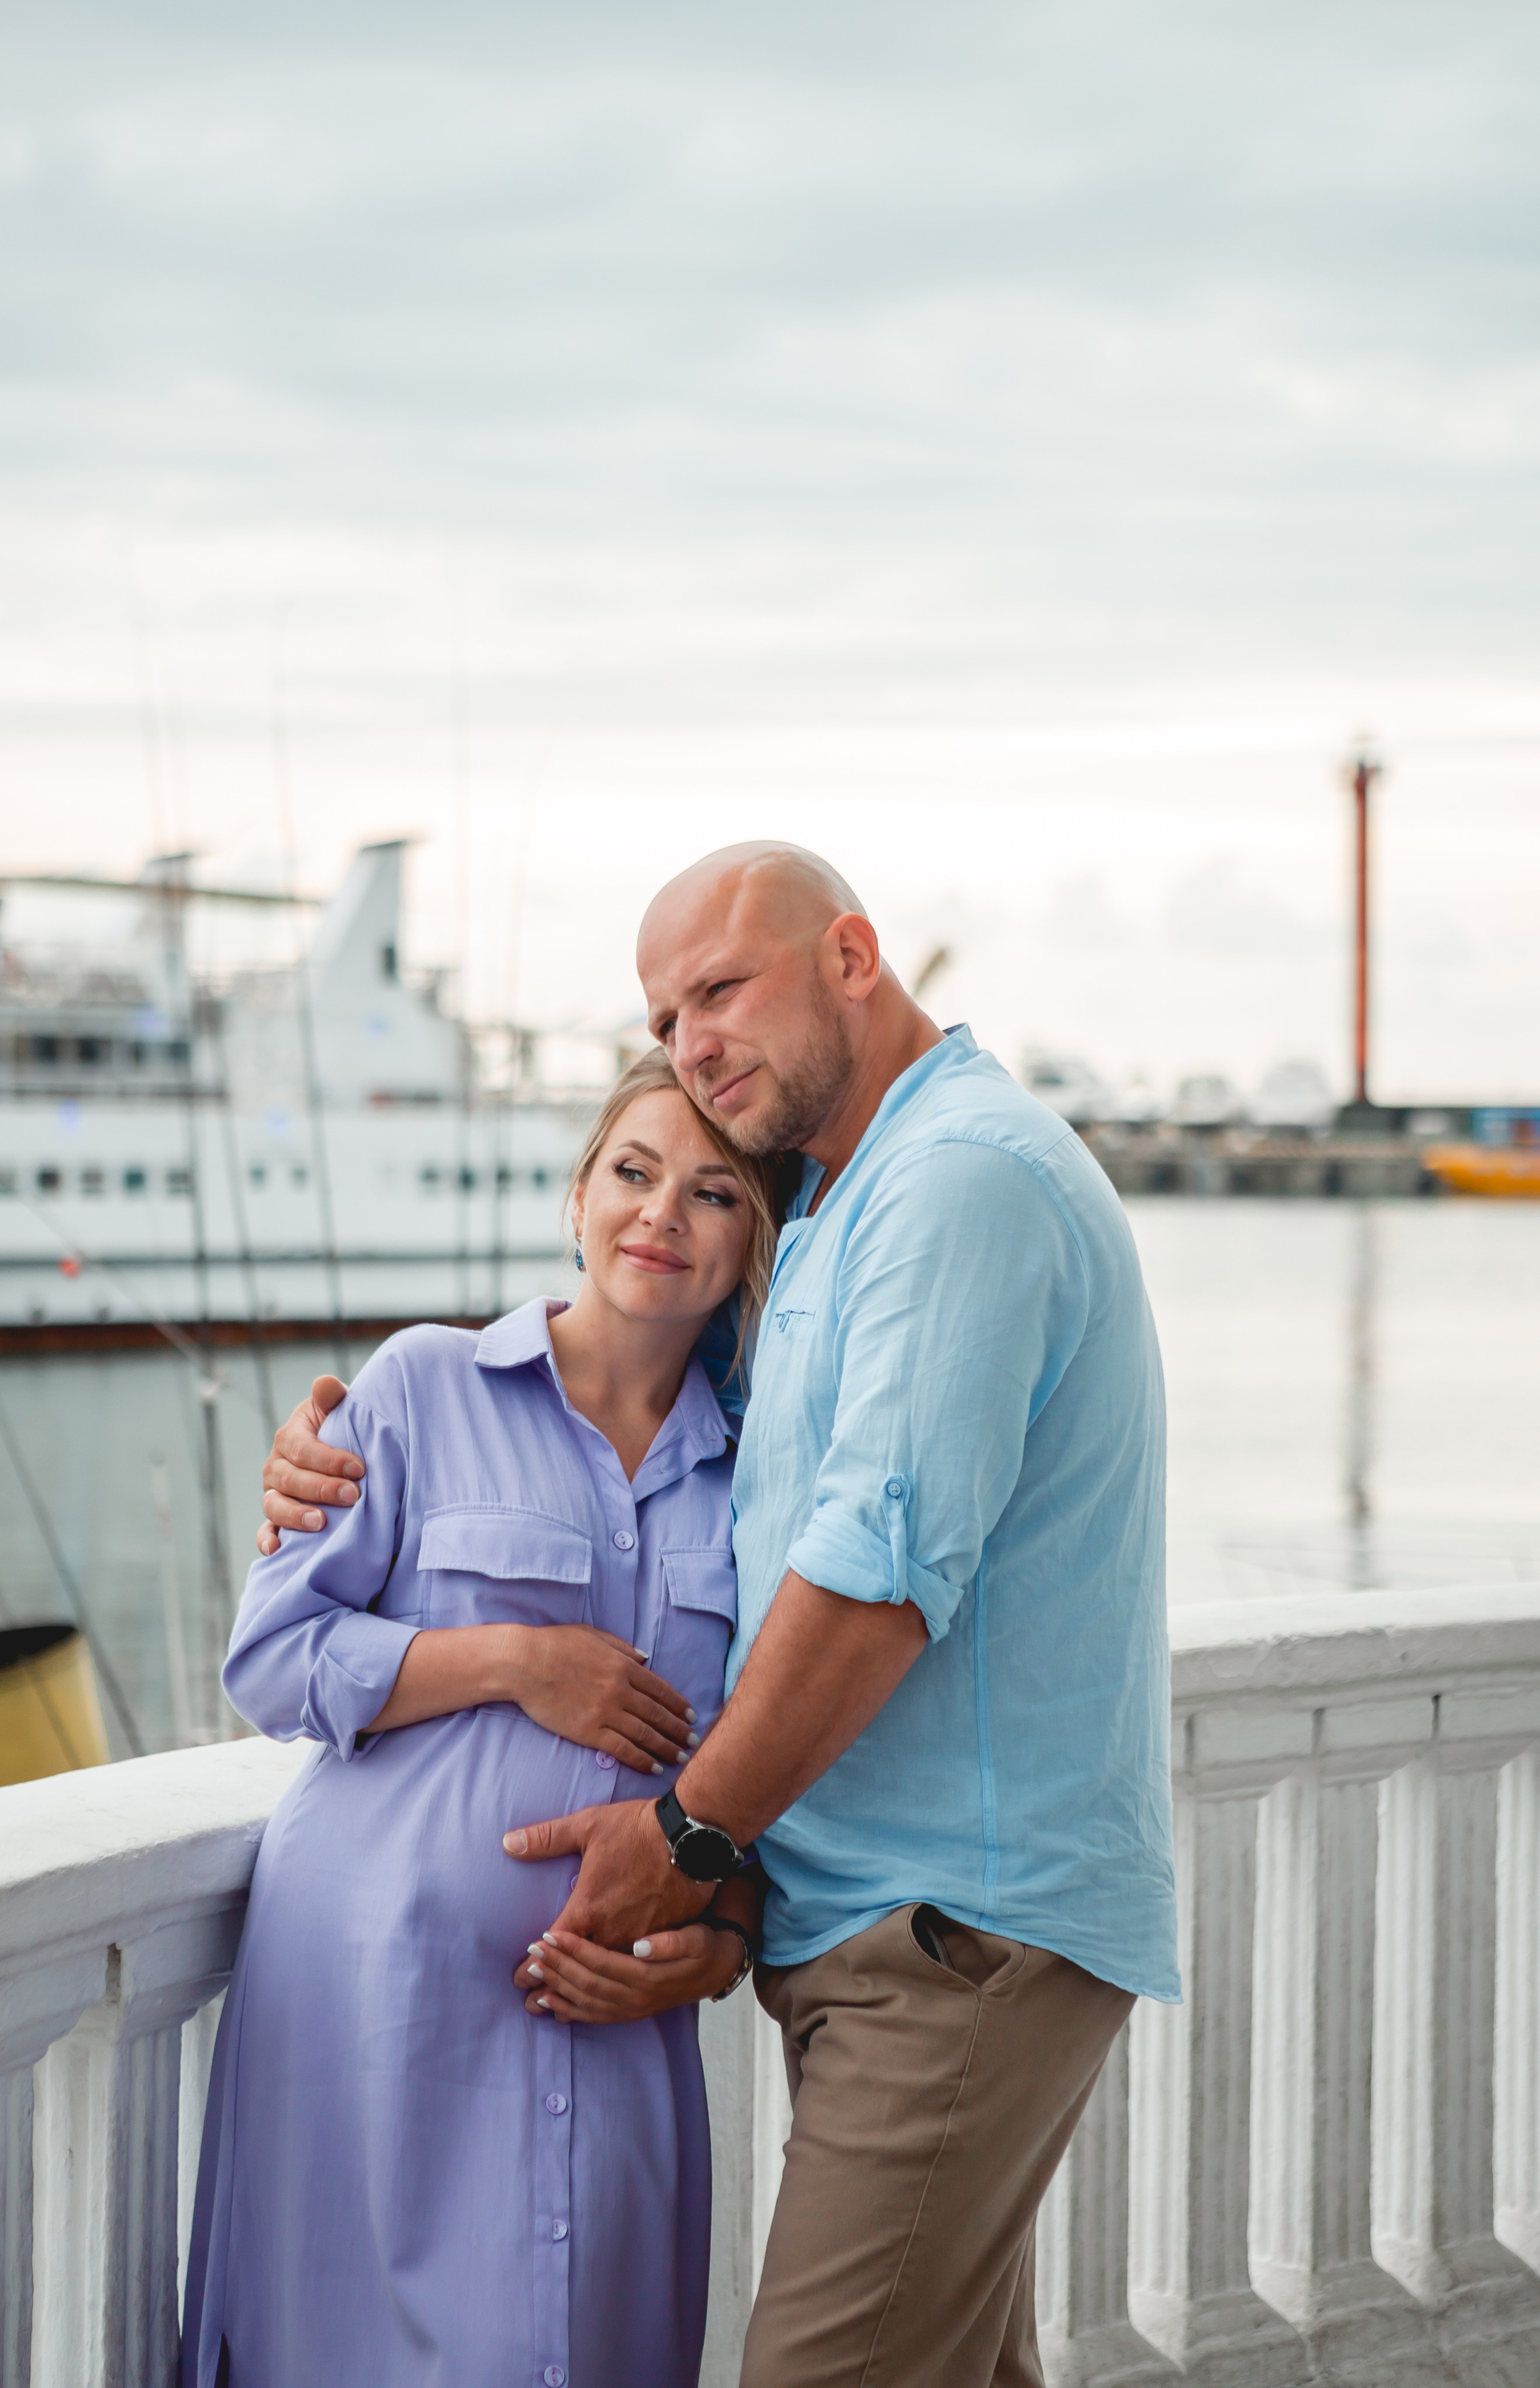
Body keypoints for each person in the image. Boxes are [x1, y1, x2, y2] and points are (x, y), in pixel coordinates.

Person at [260, 842, 1179, 2388]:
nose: (691, 1037)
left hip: (950, 1926)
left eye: (720, 989)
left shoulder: (953, 1185)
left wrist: (685, 1841)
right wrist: (337, 1458)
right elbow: (649, 1458)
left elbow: (872, 1584)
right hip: (865, 1929)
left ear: (849, 957)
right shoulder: (832, 1212)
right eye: (663, 1010)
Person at [184, 1051, 779, 2388]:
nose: (659, 1216)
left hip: (609, 2004)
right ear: (578, 1195)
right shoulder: (416, 1387)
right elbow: (273, 1661)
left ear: (752, 1244)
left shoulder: (761, 1481)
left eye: (713, 1194)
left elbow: (772, 1755)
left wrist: (717, 1941)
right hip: (372, 1995)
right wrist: (514, 1659)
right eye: (631, 1173)